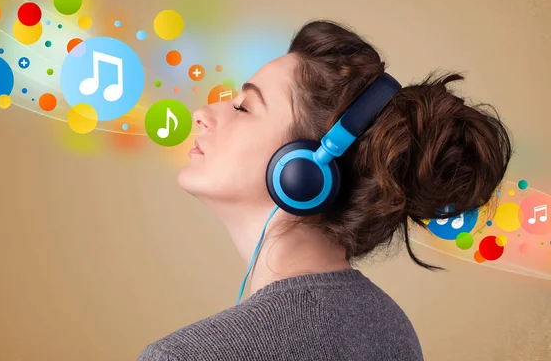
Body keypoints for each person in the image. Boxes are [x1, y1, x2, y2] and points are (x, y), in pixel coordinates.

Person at [136, 20, 513, 361]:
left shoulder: (185, 356)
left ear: (305, 168)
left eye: (243, 107)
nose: (203, 113)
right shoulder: (391, 329)